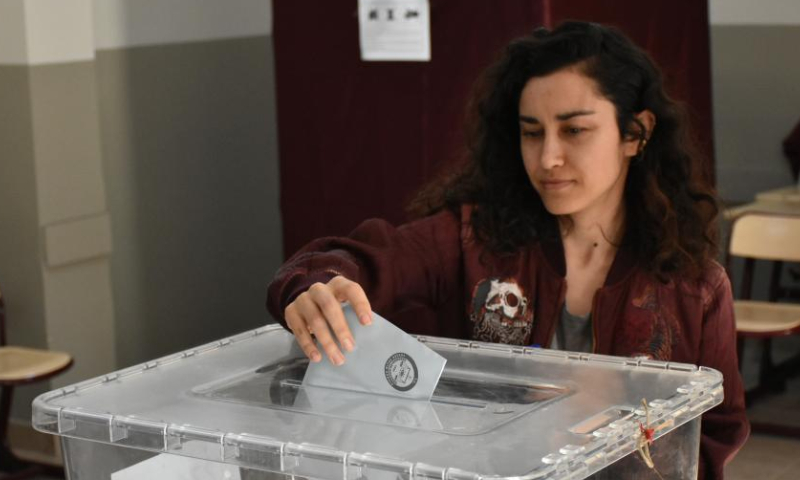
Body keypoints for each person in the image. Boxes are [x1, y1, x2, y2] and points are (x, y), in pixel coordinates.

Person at [267, 21, 748, 479]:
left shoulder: (694, 289)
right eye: (532, 132)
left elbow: (714, 433)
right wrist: (314, 286)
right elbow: (360, 258)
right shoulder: (473, 239)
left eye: (574, 130)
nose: (548, 158)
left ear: (635, 133)